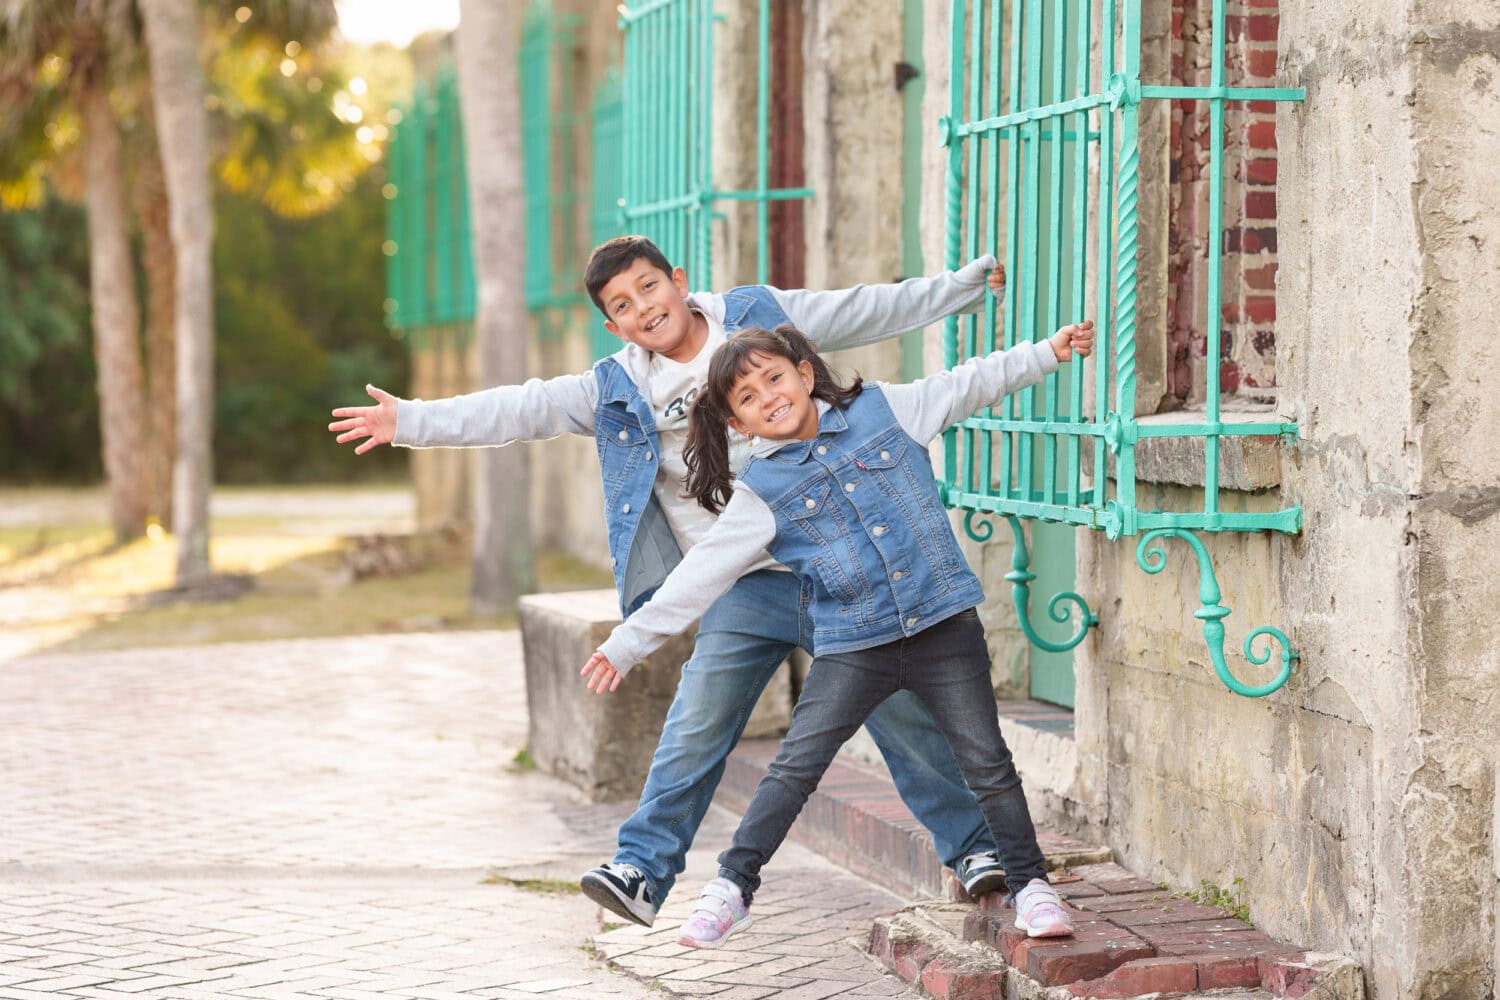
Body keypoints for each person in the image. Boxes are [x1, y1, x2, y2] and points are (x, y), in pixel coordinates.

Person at [329, 235, 1022, 927]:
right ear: (613, 324)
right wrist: (412, 420)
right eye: (622, 305)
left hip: (839, 568)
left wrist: (958, 289)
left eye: (649, 288)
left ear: (678, 282)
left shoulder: (755, 317)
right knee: (697, 719)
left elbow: (862, 310)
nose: (643, 308)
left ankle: (972, 849)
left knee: (902, 711)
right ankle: (641, 868)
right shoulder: (617, 388)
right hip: (744, 584)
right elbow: (520, 408)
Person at [581, 319, 1095, 949]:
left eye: (775, 377)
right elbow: (700, 575)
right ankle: (730, 888)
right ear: (737, 425)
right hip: (855, 645)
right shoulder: (760, 492)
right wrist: (627, 642)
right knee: (795, 767)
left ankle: (1031, 886)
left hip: (943, 628)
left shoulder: (887, 410)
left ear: (803, 372)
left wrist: (1044, 350)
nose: (769, 395)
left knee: (988, 761)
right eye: (747, 397)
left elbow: (968, 384)